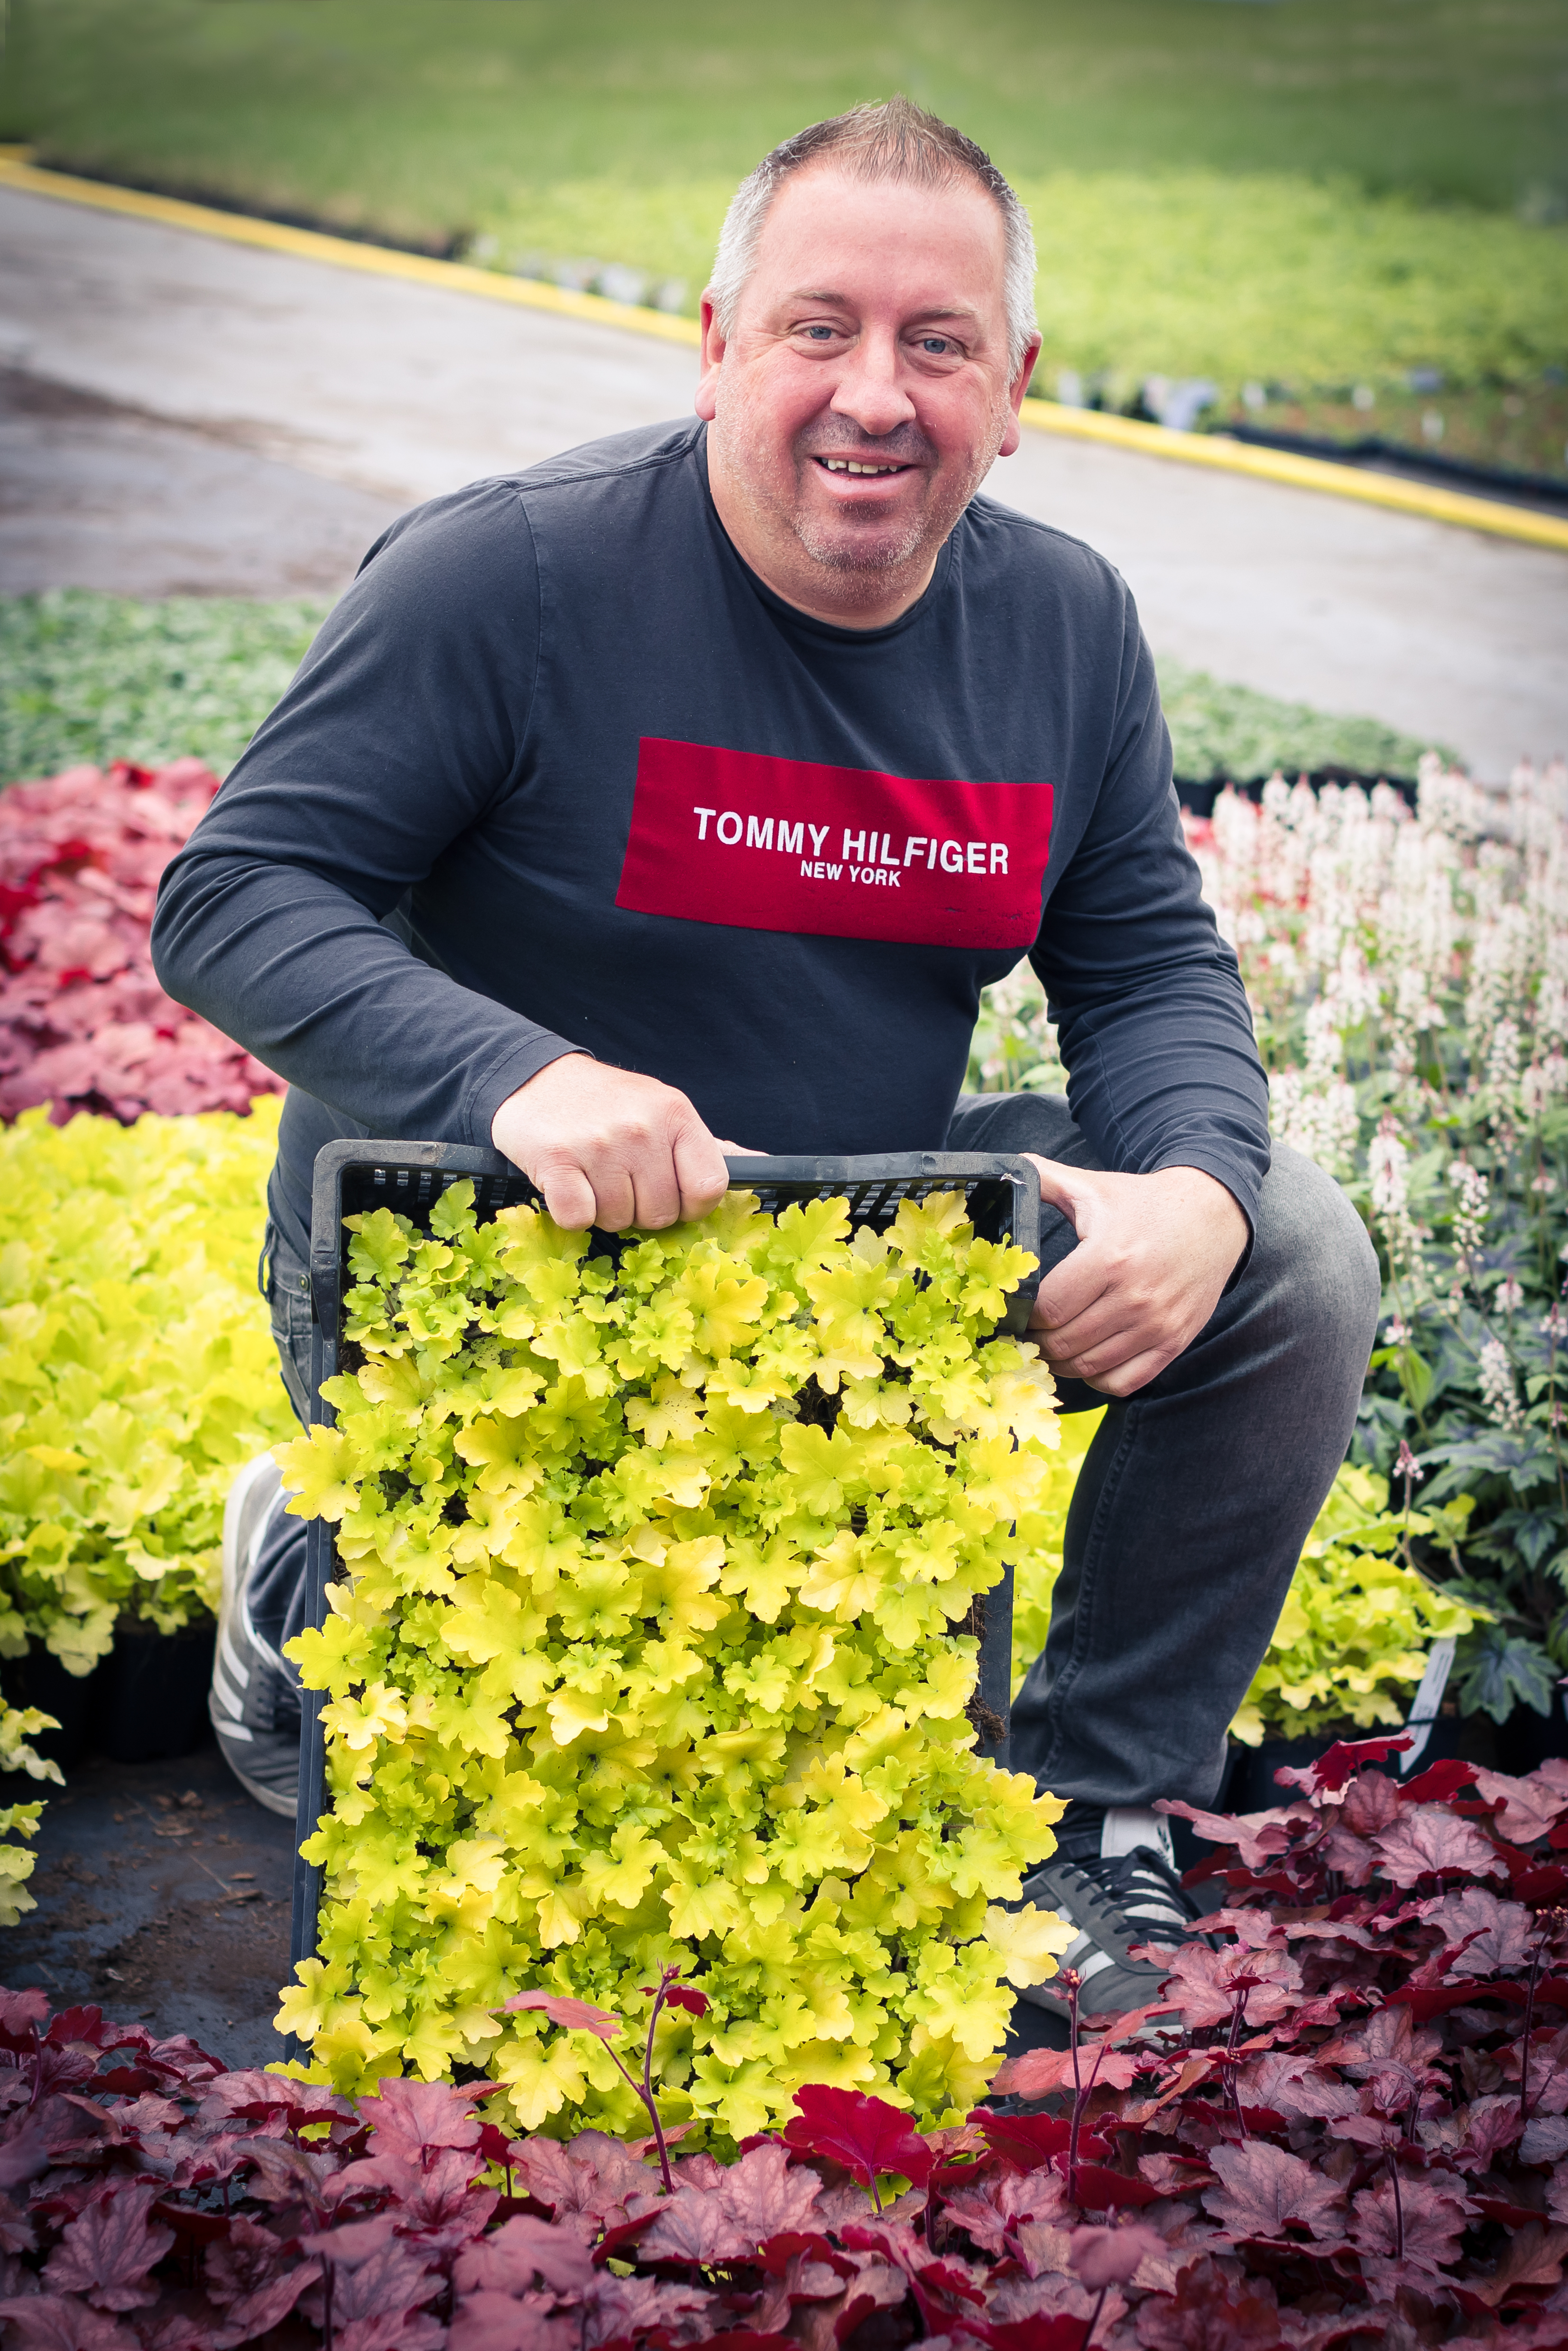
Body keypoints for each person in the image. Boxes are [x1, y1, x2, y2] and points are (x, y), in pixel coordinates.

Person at [151, 97, 1379, 2040]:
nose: (872, 397)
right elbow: (234, 896)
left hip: (847, 1251)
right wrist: (520, 1075)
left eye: (935, 342)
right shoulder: (511, 577)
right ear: (715, 345)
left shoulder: (1061, 626)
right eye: (815, 328)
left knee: (1290, 1245)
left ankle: (1086, 1806)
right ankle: (305, 1561)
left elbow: (1142, 960)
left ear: (1015, 382)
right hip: (486, 1248)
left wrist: (1198, 1192)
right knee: (526, 1800)